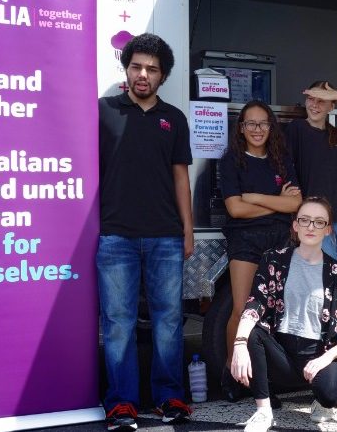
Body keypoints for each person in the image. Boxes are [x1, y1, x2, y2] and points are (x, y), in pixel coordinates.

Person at [97, 33, 194, 431]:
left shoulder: (175, 118)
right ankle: (121, 403)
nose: (143, 74)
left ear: (163, 75)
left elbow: (180, 178)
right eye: (137, 66)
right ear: (127, 68)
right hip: (115, 235)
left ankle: (169, 396)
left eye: (152, 69)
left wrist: (187, 232)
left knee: (168, 321)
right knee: (117, 322)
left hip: (165, 237)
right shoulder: (103, 111)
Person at [230, 197, 337, 432]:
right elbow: (255, 305)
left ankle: (322, 402)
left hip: (317, 357)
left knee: (329, 392)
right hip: (282, 355)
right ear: (295, 225)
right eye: (305, 220)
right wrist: (239, 343)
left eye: (318, 222)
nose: (311, 227)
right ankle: (263, 411)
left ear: (328, 229)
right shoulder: (274, 260)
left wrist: (326, 358)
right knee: (252, 332)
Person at [219, 100, 302, 401]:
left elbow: (295, 204)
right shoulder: (231, 160)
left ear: (271, 127)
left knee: (270, 314)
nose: (257, 129)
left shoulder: (281, 159)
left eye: (262, 123)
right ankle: (232, 373)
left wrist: (253, 197)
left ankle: (262, 382)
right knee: (242, 309)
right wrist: (273, 203)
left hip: (279, 240)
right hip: (245, 241)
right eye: (250, 124)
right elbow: (234, 209)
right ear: (241, 128)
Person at [285, 81, 337, 289]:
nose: (314, 105)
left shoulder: (336, 134)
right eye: (311, 99)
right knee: (326, 279)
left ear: (331, 107)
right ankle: (329, 322)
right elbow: (286, 164)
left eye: (322, 101)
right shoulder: (296, 128)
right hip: (317, 218)